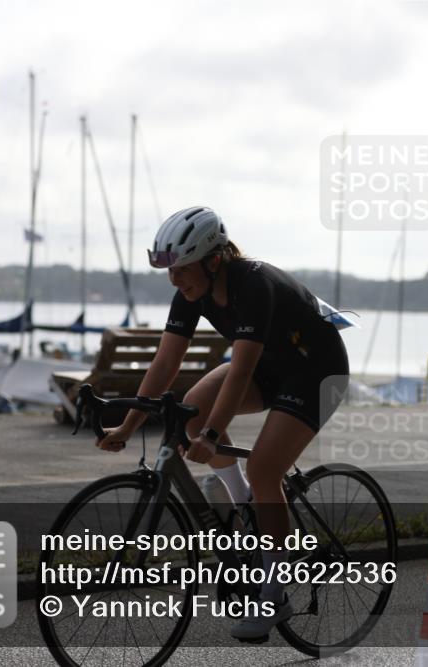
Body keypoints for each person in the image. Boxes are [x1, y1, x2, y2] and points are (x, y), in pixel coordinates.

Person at [94, 206, 350, 639]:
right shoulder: (192, 292)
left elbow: (241, 371)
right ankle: (247, 504)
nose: (174, 281)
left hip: (316, 371)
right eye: (169, 272)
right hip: (272, 366)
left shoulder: (254, 286)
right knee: (192, 410)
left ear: (214, 260)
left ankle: (275, 590)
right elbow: (165, 362)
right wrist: (128, 425)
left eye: (181, 270)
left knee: (264, 466)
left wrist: (214, 436)